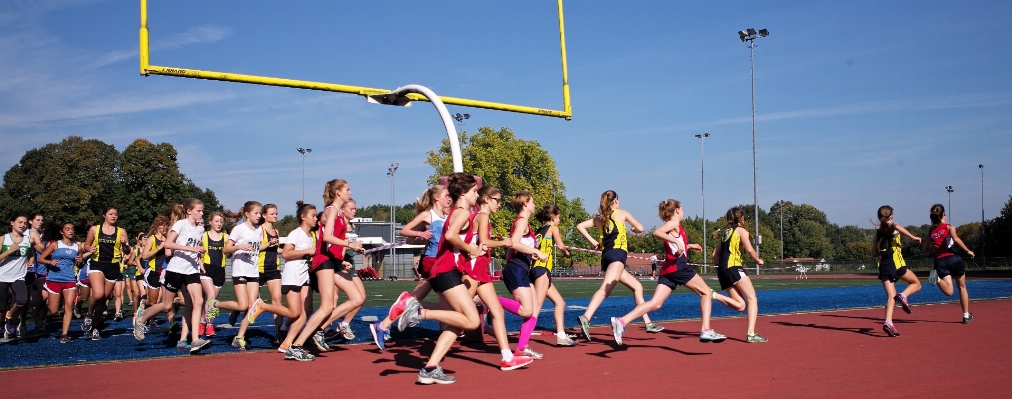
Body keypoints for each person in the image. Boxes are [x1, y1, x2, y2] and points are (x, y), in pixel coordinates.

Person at [387, 172, 485, 384]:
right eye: (475, 191)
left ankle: (430, 368)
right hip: (446, 272)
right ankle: (418, 312)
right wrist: (472, 249)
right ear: (463, 192)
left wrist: (467, 252)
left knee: (454, 323)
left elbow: (450, 242)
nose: (477, 195)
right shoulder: (462, 213)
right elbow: (450, 236)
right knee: (472, 320)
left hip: (445, 270)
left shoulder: (455, 212)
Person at [611, 200, 727, 345]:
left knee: (655, 303)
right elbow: (657, 232)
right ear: (677, 210)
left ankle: (621, 321)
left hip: (669, 269)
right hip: (678, 267)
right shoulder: (673, 223)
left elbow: (673, 245)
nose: (684, 212)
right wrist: (679, 243)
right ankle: (706, 330)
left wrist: (687, 246)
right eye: (682, 209)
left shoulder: (676, 227)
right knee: (706, 293)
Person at [285, 179, 363, 360]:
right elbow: (327, 237)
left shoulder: (337, 212)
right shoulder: (331, 211)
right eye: (347, 190)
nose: (350, 193)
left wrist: (342, 258)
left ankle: (318, 330)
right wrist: (350, 244)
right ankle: (296, 346)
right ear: (338, 193)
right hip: (324, 261)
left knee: (357, 298)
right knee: (327, 305)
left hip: (333, 261)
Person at [369, 185, 451, 348]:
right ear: (436, 198)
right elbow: (406, 232)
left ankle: (384, 324)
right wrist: (420, 233)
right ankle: (436, 325)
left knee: (440, 302)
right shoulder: (428, 215)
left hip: (442, 260)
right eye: (446, 195)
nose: (449, 199)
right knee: (448, 303)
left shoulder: (446, 215)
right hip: (433, 261)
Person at [575, 190, 661, 341]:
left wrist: (593, 242)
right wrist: (633, 229)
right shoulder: (622, 214)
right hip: (617, 255)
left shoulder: (600, 218)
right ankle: (586, 317)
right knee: (605, 289)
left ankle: (648, 323)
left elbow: (580, 226)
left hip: (608, 256)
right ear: (616, 201)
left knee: (637, 287)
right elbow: (640, 228)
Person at [468, 185, 534, 369]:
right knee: (461, 314)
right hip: (474, 270)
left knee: (497, 311)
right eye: (497, 200)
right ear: (487, 199)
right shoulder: (482, 216)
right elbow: (484, 242)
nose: (499, 204)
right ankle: (420, 311)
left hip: (481, 270)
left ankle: (507, 357)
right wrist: (504, 242)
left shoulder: (483, 217)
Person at [133, 199, 211, 353]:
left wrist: (200, 259)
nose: (202, 214)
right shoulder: (180, 224)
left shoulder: (200, 230)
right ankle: (140, 319)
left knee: (198, 301)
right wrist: (190, 248)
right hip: (176, 269)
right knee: (167, 305)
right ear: (189, 211)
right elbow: (168, 245)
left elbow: (195, 249)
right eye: (199, 211)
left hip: (192, 270)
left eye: (202, 211)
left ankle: (195, 339)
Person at [211, 201, 264, 351]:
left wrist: (269, 245)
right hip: (240, 270)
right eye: (256, 213)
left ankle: (239, 337)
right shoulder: (238, 229)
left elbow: (257, 247)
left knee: (251, 307)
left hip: (253, 271)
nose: (259, 216)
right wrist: (240, 246)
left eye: (260, 213)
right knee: (243, 305)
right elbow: (226, 249)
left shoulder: (259, 230)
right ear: (247, 214)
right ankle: (214, 304)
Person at [710, 207, 768, 343]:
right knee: (752, 298)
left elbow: (714, 255)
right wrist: (758, 260)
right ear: (741, 218)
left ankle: (714, 295)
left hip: (723, 271)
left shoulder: (725, 233)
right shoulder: (741, 231)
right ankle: (751, 334)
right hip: (734, 268)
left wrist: (725, 265)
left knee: (741, 306)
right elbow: (749, 249)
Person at [871, 205, 922, 337]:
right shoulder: (893, 226)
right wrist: (913, 237)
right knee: (916, 283)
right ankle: (904, 295)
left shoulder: (878, 233)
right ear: (891, 216)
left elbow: (874, 254)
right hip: (896, 264)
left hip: (884, 266)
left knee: (890, 297)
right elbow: (897, 227)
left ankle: (888, 322)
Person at [82, 207, 131, 340]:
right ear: (104, 215)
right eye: (111, 214)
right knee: (98, 293)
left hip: (113, 266)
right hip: (97, 263)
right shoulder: (94, 229)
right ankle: (89, 315)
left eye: (116, 214)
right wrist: (89, 248)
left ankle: (95, 327)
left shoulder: (121, 232)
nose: (114, 216)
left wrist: (125, 244)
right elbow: (86, 245)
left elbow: (128, 251)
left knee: (104, 300)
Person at [531, 204, 576, 346]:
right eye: (559, 217)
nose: (560, 221)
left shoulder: (539, 231)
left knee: (560, 302)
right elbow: (561, 246)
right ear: (553, 217)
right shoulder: (553, 228)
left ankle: (561, 336)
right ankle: (523, 339)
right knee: (536, 306)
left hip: (537, 270)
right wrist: (567, 253)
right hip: (542, 270)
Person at [277, 201, 318, 357]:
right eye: (312, 216)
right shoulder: (296, 233)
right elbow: (286, 253)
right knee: (295, 312)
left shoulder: (310, 236)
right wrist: (307, 251)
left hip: (304, 276)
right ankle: (262, 307)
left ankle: (287, 343)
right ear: (303, 217)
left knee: (306, 312)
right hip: (292, 276)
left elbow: (306, 256)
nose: (315, 219)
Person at [39, 222, 90, 343]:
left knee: (69, 306)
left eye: (72, 229)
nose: (71, 231)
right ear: (62, 232)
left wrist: (79, 260)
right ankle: (45, 306)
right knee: (53, 310)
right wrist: (50, 262)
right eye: (67, 229)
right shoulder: (55, 245)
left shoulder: (78, 248)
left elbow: (80, 263)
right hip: (54, 279)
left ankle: (64, 334)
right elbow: (40, 259)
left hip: (69, 280)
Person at [922, 204, 974, 323]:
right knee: (962, 287)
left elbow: (924, 249)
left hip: (940, 261)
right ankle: (966, 316)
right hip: (953, 259)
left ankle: (938, 280)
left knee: (950, 291)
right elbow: (956, 239)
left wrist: (934, 251)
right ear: (944, 214)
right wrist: (968, 250)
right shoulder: (949, 227)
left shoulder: (931, 231)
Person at [1, 214, 32, 340]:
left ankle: (10, 316)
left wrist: (30, 261)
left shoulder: (28, 240)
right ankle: (5, 326)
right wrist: (9, 251)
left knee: (23, 300)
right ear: (12, 223)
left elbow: (31, 254)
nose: (23, 225)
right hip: (2, 276)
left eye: (25, 223)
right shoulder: (3, 239)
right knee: (0, 307)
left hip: (18, 277)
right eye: (20, 222)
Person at [199, 212, 228, 337]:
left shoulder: (226, 237)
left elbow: (230, 251)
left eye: (221, 221)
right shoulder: (203, 235)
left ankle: (201, 321)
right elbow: (195, 251)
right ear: (210, 222)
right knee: (210, 296)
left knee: (211, 300)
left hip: (220, 270)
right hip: (206, 269)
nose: (219, 223)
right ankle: (209, 325)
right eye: (216, 221)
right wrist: (200, 263)